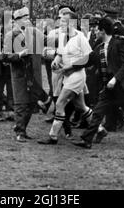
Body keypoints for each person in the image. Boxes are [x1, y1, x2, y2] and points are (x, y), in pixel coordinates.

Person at [72, 17, 124, 149]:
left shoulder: (120, 44)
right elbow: (87, 60)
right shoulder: (99, 48)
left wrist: (115, 79)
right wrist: (69, 65)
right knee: (98, 112)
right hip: (109, 89)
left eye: (98, 30)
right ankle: (87, 139)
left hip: (122, 88)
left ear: (103, 31)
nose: (96, 32)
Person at [38, 10, 93, 145]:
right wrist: (55, 61)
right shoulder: (63, 36)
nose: (60, 23)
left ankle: (53, 136)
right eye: (60, 20)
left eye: (64, 21)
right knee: (81, 106)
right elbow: (60, 53)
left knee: (60, 103)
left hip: (77, 76)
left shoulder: (80, 37)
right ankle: (99, 129)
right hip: (67, 75)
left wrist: (69, 67)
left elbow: (89, 58)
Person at [2, 6, 48, 142]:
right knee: (21, 103)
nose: (28, 20)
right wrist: (19, 55)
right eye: (25, 18)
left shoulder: (35, 32)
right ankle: (20, 131)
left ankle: (21, 127)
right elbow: (4, 57)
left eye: (28, 17)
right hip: (20, 73)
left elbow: (48, 41)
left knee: (32, 103)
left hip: (34, 73)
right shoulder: (10, 36)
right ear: (17, 20)